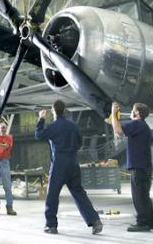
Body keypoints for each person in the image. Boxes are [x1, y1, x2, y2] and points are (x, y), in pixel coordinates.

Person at [35, 100, 103, 235]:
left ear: (54, 110)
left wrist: (41, 119)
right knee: (79, 193)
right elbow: (79, 142)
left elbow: (39, 135)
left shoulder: (53, 127)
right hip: (73, 162)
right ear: (64, 109)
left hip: (59, 164)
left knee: (52, 195)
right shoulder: (73, 126)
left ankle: (51, 225)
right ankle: (95, 221)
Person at [110, 102, 153, 232]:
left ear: (137, 113)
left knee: (138, 196)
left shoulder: (136, 124)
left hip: (138, 166)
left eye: (133, 110)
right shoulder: (144, 126)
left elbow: (118, 131)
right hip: (145, 166)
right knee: (144, 195)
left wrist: (113, 114)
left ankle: (143, 222)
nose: (131, 112)